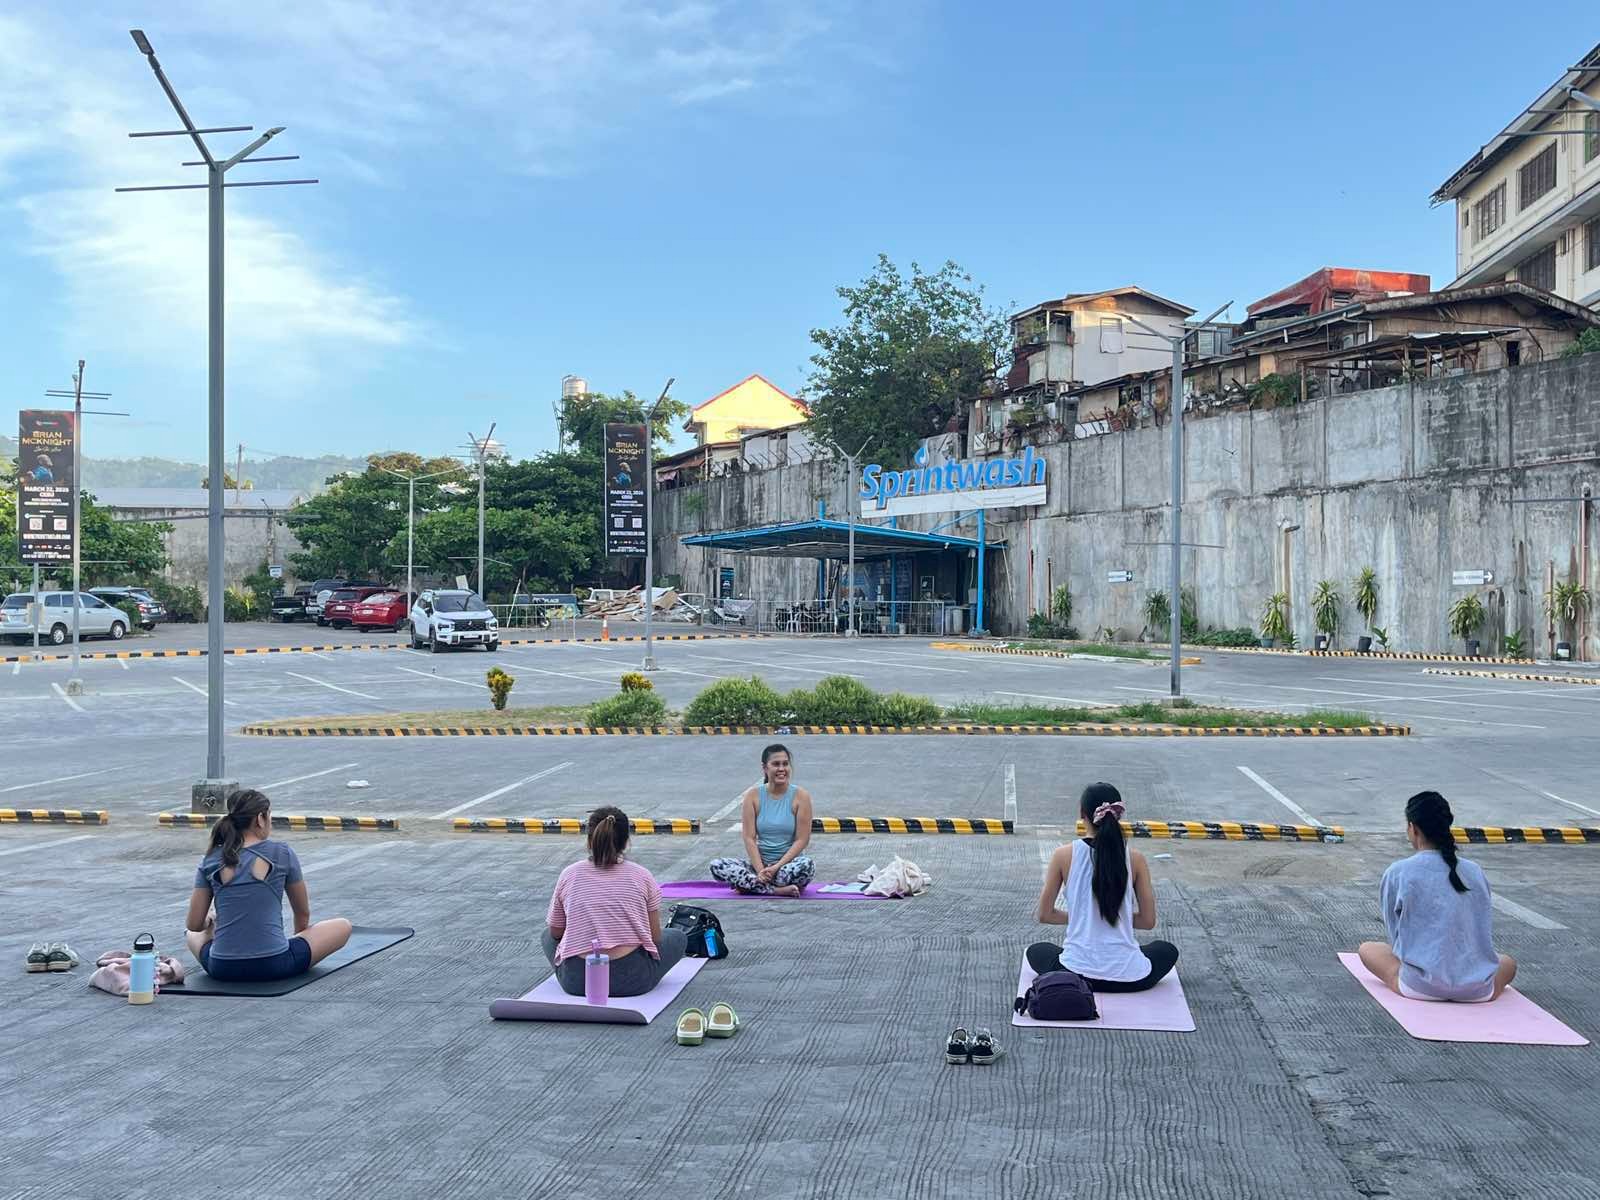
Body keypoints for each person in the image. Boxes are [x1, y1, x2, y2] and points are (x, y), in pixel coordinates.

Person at [1358, 790, 1517, 1002]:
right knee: (1507, 962)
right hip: (1476, 988)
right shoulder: (1474, 871)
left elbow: (1395, 935)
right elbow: (1480, 926)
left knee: (1367, 949)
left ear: (1412, 828)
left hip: (1421, 986)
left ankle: (1424, 982)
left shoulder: (1398, 872)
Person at [185, 789, 352, 982]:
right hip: (275, 964)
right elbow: (302, 913)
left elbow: (194, 924)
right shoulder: (282, 853)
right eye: (269, 816)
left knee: (190, 934)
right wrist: (297, 942)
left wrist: (209, 922)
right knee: (343, 926)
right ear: (260, 819)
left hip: (222, 967)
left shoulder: (211, 858)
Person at [1027, 782, 1178, 992]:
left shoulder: (1063, 855)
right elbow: (1147, 921)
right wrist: (1110, 918)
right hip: (1132, 978)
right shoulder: (1135, 859)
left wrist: (1085, 918)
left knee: (1037, 950)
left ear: (1082, 813)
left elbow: (1045, 915)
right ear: (1119, 814)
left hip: (1076, 974)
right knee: (1166, 949)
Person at [544, 805, 686, 997]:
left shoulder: (569, 874)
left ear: (589, 840)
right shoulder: (642, 876)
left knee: (546, 936)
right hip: (633, 978)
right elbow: (655, 937)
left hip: (578, 981)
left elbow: (556, 932)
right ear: (626, 841)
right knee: (677, 937)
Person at [708, 744, 815, 896]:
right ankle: (774, 890)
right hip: (760, 866)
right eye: (776, 764)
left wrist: (776, 867)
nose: (781, 769)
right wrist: (760, 871)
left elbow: (802, 840)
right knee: (717, 866)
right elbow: (749, 838)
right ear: (765, 768)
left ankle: (753, 886)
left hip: (787, 867)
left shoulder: (801, 796)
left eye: (785, 764)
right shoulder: (753, 796)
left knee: (807, 865)